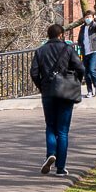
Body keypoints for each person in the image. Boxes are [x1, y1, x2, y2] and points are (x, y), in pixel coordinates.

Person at [30, 24, 84, 176]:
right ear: (61, 35)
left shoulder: (40, 51)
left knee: (50, 126)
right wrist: (75, 82)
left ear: (48, 35)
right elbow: (81, 68)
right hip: (66, 92)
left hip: (48, 92)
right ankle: (61, 168)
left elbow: (34, 72)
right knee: (63, 130)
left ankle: (51, 154)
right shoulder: (68, 49)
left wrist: (42, 86)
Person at [77, 10, 96, 98]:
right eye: (86, 17)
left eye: (90, 17)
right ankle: (89, 91)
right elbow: (80, 40)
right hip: (85, 52)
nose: (88, 19)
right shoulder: (82, 28)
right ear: (84, 18)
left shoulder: (94, 26)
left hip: (94, 50)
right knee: (86, 72)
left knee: (92, 70)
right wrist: (80, 47)